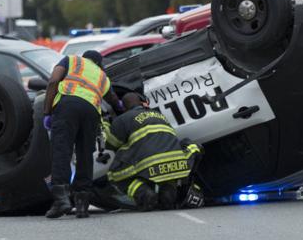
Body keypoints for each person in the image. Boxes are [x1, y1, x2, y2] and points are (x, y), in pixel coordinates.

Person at [42, 49, 121, 219]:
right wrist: (125, 108)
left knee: (62, 151)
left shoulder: (72, 60)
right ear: (99, 64)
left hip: (67, 105)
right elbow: (113, 100)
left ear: (85, 59)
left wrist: (47, 112)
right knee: (85, 155)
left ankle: (61, 199)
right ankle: (82, 205)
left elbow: (53, 80)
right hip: (91, 112)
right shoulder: (102, 76)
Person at [105, 92, 202, 211]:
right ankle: (168, 192)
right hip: (177, 163)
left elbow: (111, 144)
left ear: (124, 107)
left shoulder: (123, 119)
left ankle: (143, 193)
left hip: (149, 165)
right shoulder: (159, 114)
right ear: (142, 102)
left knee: (114, 175)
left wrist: (105, 126)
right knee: (168, 173)